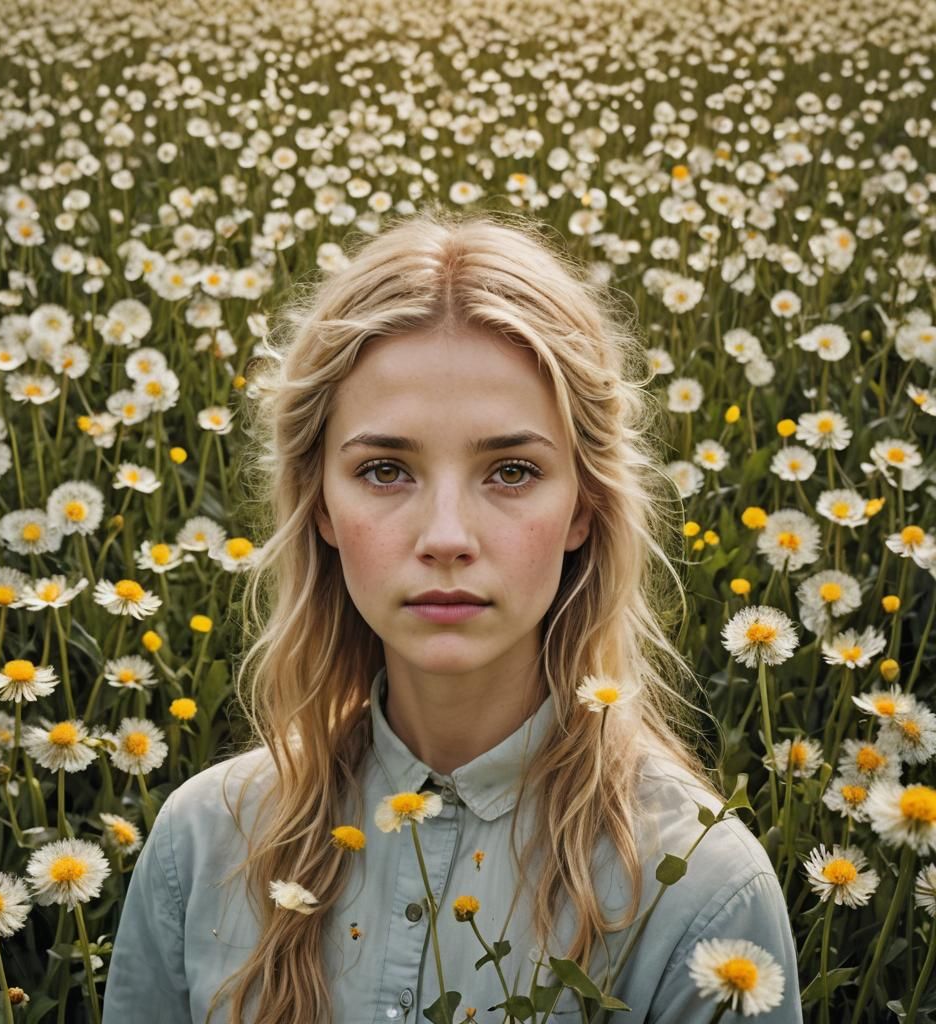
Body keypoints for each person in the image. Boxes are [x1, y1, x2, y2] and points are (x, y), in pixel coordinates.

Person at [103, 207, 802, 1023]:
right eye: (385, 470)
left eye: (510, 470)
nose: (445, 538)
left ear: (584, 506)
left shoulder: (702, 891)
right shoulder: (203, 844)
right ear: (319, 505)